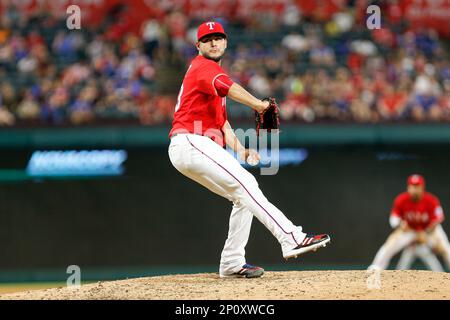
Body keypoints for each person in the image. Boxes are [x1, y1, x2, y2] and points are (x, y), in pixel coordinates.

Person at [168, 21, 330, 278]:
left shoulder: (209, 77)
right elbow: (230, 89)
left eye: (218, 38)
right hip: (190, 141)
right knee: (246, 184)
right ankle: (291, 238)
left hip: (191, 146)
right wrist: (258, 105)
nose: (213, 42)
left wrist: (241, 150)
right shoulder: (203, 67)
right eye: (207, 39)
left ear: (225, 42)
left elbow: (222, 124)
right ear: (197, 45)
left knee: (243, 194)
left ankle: (232, 263)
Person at [368, 174, 450, 271]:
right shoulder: (401, 199)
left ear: (422, 187)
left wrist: (427, 235)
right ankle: (375, 270)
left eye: (417, 186)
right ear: (408, 187)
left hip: (429, 231)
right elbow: (393, 218)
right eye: (412, 186)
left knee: (446, 248)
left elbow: (438, 219)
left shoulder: (431, 200)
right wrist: (400, 224)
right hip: (410, 230)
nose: (415, 190)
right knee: (390, 244)